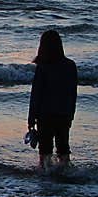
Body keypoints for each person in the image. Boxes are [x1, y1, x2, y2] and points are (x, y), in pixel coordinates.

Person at [28, 30, 77, 170]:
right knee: (63, 147)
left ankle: (46, 176)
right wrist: (71, 114)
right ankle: (65, 174)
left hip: (45, 114)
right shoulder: (70, 66)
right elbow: (72, 93)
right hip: (63, 113)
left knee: (45, 149)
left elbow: (36, 94)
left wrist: (31, 118)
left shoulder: (43, 67)